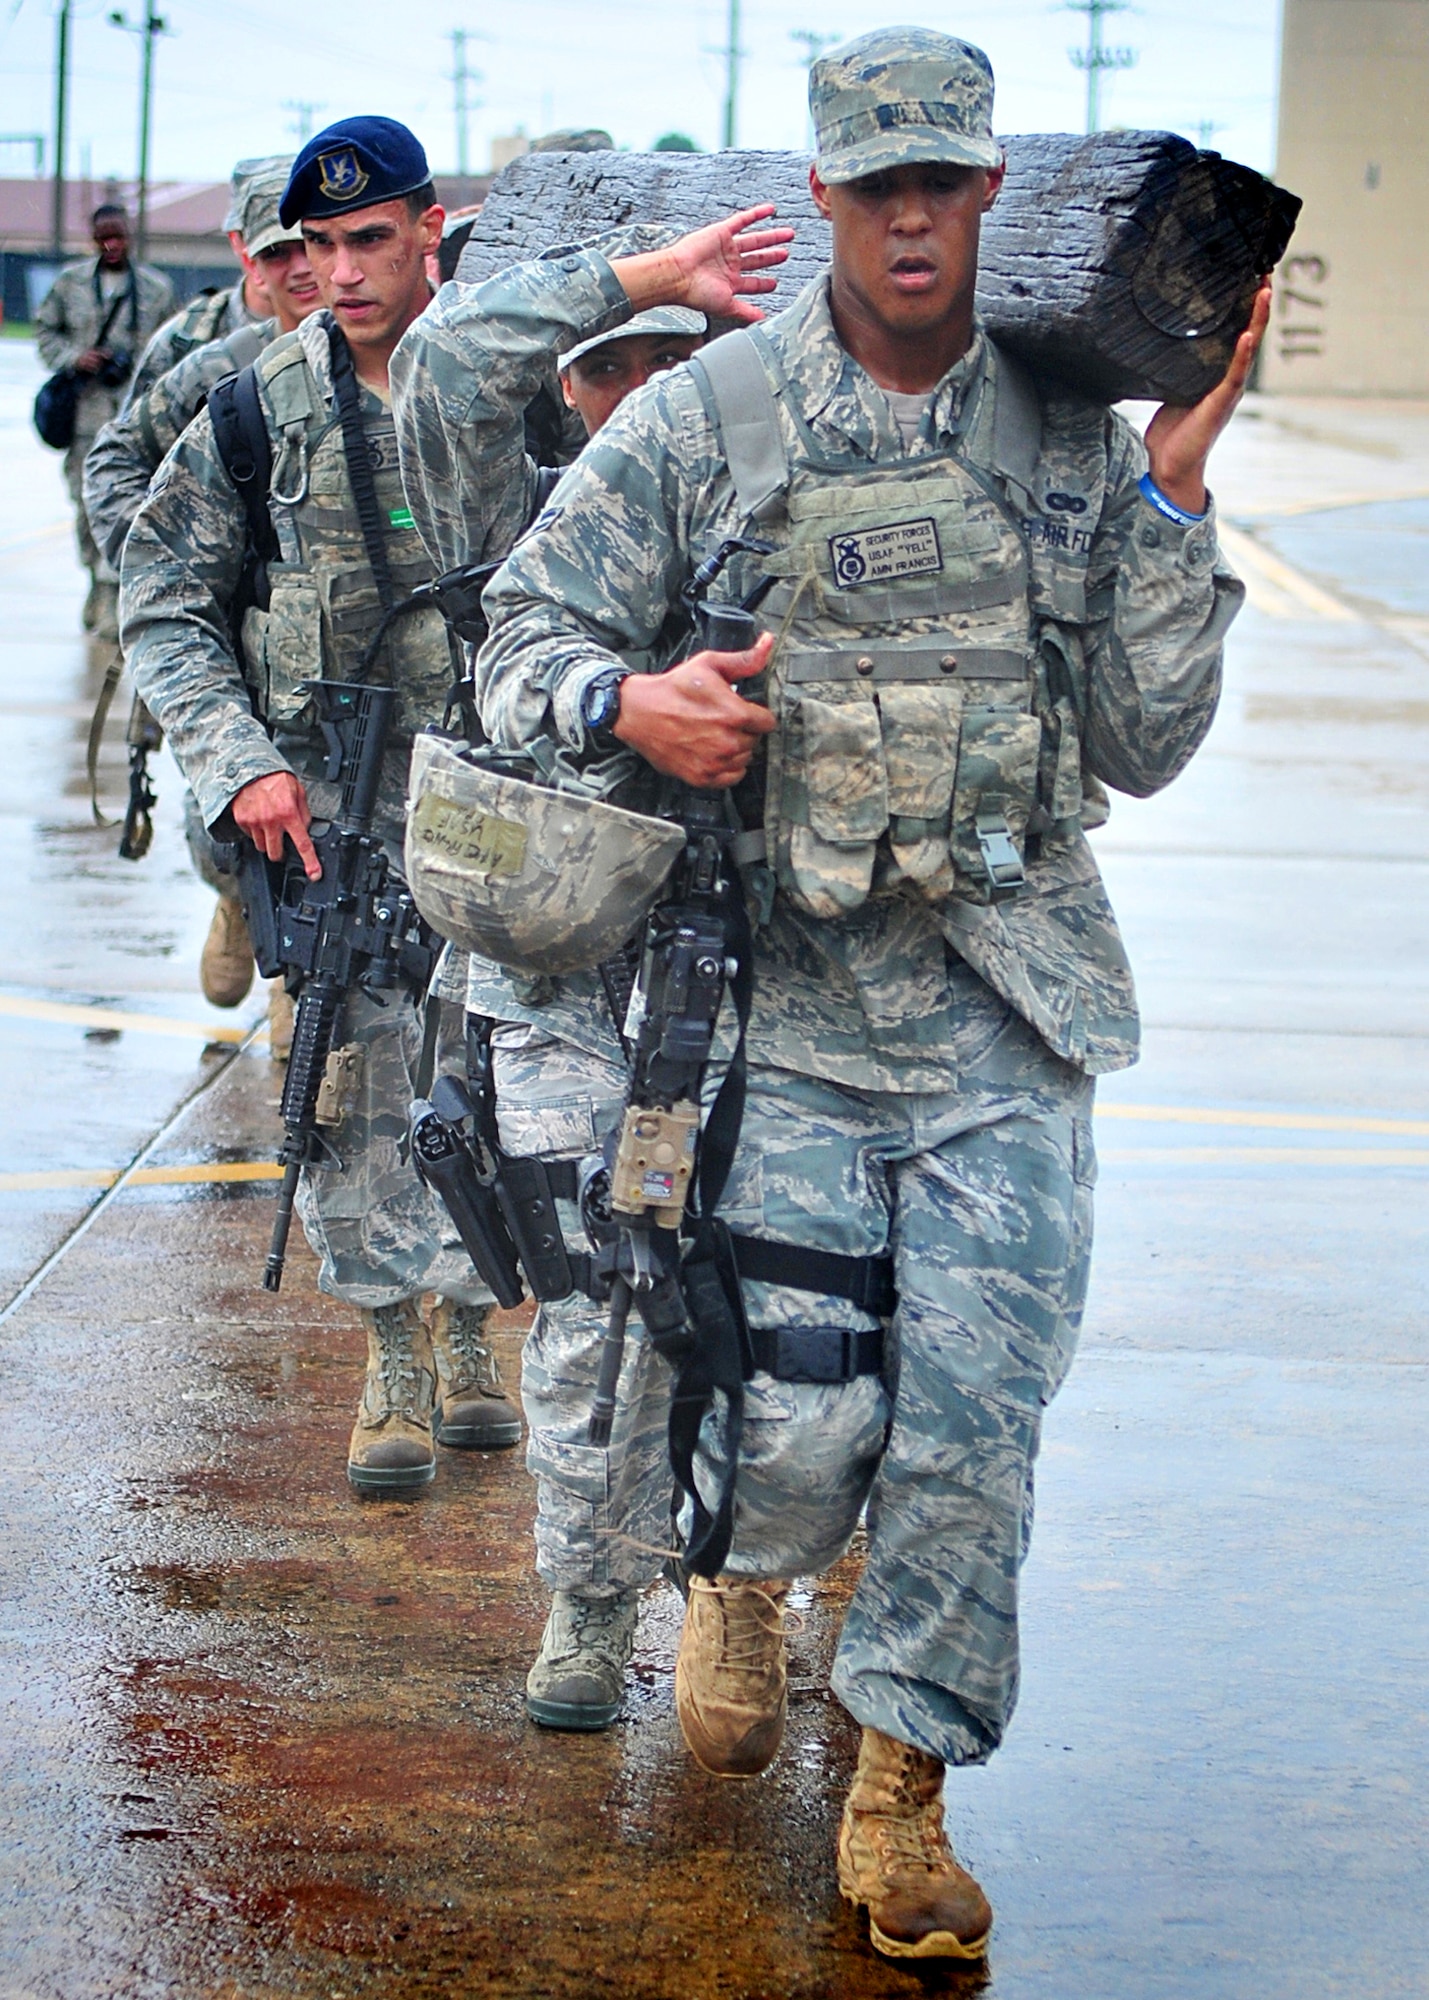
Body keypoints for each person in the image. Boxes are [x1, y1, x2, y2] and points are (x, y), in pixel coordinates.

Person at [462, 27, 1266, 1964]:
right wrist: (625, 701)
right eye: (875, 182)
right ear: (824, 195)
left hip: (1007, 1009)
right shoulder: (709, 420)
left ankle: (900, 1790)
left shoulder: (1071, 438)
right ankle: (744, 1569)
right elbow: (515, 642)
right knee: (807, 1430)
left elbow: (1147, 746)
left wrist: (1171, 501)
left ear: (992, 193)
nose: (911, 216)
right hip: (787, 1024)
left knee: (978, 1424)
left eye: (943, 182)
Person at [122, 117, 783, 1504]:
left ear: (434, 231)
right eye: (318, 246)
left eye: (372, 239)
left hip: (512, 806)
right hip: (334, 815)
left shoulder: (530, 381)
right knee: (352, 1095)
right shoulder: (249, 412)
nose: (343, 271)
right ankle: (392, 1353)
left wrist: (654, 284)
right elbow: (165, 599)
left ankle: (478, 1329)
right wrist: (236, 760)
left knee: (493, 1091)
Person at [84, 157, 321, 1024]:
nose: (302, 265)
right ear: (244, 255)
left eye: (317, 243)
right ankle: (236, 901)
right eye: (280, 248)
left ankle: (302, 1001)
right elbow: (119, 458)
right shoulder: (218, 362)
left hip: (334, 641)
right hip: (237, 632)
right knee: (228, 815)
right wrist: (156, 563)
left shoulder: (400, 358)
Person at [35, 205, 174, 637]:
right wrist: (75, 358)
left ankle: (117, 590)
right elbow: (45, 332)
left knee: (133, 508)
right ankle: (96, 583)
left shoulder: (156, 290)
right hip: (85, 418)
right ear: (92, 239)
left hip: (137, 419)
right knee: (85, 506)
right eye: (103, 238)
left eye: (118, 236)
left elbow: (174, 348)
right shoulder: (69, 284)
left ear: (130, 235)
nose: (111, 245)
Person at [121, 155, 315, 407]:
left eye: (310, 243)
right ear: (239, 242)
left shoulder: (358, 331)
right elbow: (133, 439)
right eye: (276, 249)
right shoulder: (186, 340)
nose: (301, 267)